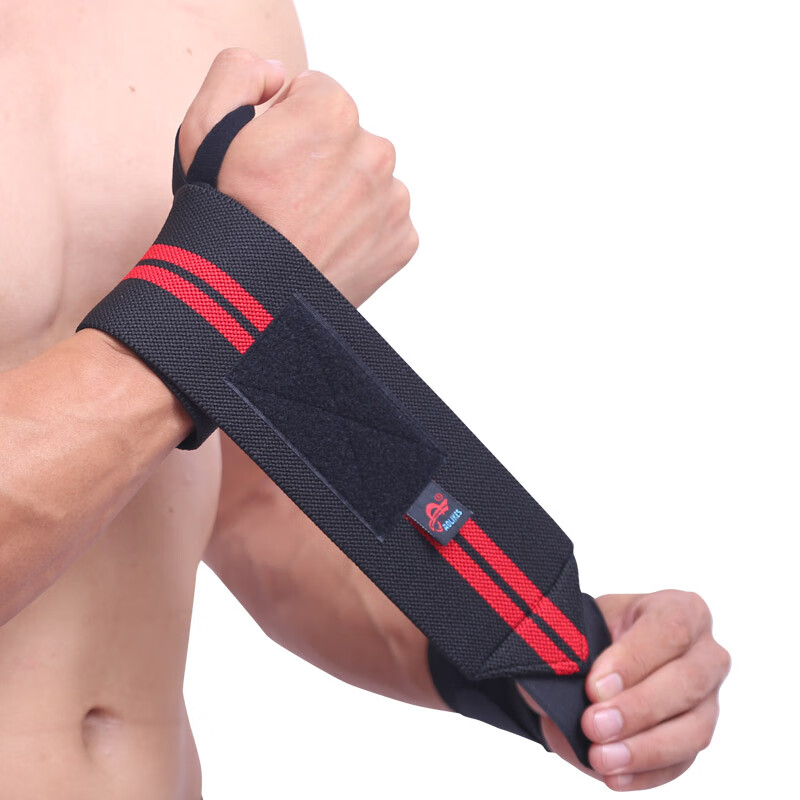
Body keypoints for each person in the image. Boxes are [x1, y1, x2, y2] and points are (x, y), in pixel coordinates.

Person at [0, 1, 729, 797]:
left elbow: (245, 505)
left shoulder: (228, 16)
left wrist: (528, 644)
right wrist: (221, 291)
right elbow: (205, 326)